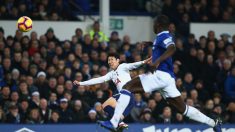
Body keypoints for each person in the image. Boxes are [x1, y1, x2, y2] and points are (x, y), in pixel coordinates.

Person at [98, 15, 222, 132]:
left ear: (158, 25)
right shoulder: (160, 38)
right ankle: (214, 123)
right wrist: (151, 44)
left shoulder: (164, 36)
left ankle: (114, 122)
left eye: (153, 24)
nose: (152, 26)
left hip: (160, 74)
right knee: (183, 108)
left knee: (127, 87)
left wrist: (156, 61)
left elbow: (172, 48)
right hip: (168, 79)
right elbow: (164, 47)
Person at [73, 53, 152, 129]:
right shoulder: (111, 74)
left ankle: (117, 122)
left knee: (105, 105)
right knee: (105, 106)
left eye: (112, 59)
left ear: (118, 60)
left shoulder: (122, 67)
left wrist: (144, 61)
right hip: (126, 97)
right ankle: (119, 122)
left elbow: (133, 65)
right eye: (108, 60)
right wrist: (81, 83)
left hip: (127, 94)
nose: (110, 61)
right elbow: (98, 79)